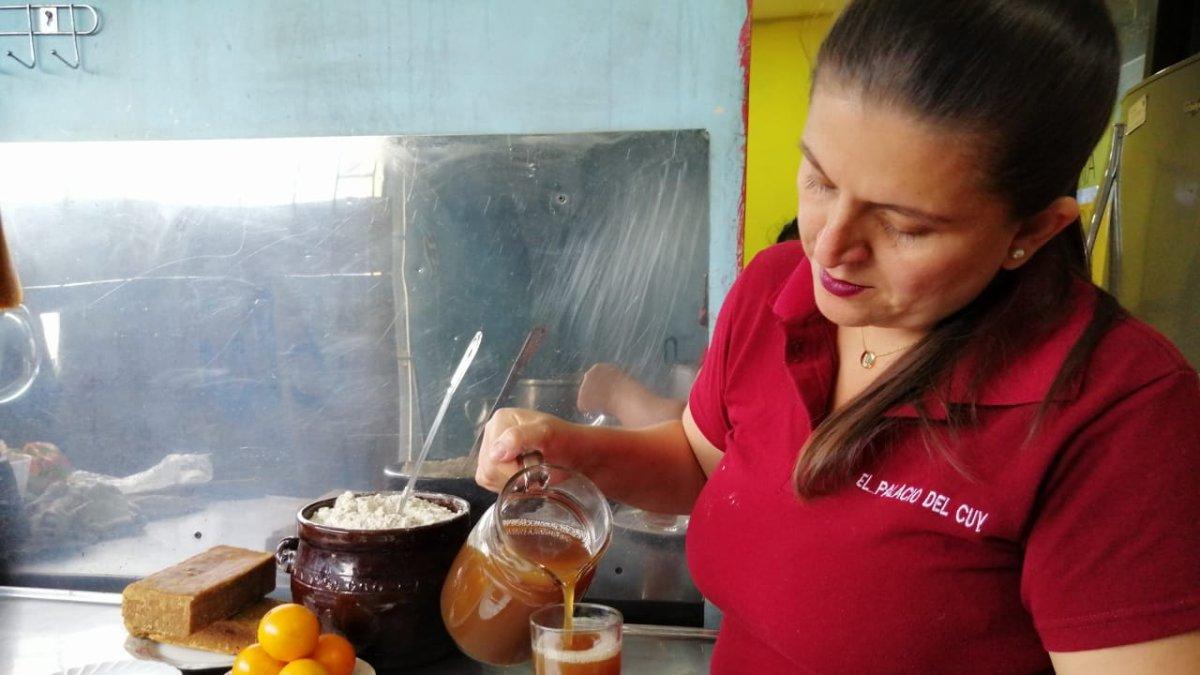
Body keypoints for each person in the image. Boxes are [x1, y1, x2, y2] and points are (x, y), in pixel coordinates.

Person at [477, 1, 1200, 672]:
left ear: (1034, 230)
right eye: (820, 180)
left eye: (904, 224)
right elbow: (701, 462)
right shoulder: (774, 290)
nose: (828, 248)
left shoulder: (1124, 415)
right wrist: (575, 450)